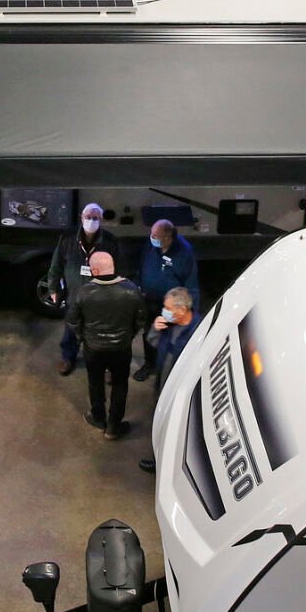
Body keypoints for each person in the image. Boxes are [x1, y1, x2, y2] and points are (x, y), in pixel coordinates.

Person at [67, 251, 146, 438]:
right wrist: (128, 335)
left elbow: (72, 320)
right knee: (120, 384)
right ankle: (114, 426)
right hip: (121, 348)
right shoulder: (131, 289)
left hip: (93, 349)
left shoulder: (84, 291)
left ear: (94, 270)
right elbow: (141, 318)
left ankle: (98, 417)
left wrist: (83, 337)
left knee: (95, 383)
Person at [44, 203, 118, 376]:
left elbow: (118, 268)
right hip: (75, 296)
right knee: (71, 330)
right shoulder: (68, 239)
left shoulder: (109, 241)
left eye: (95, 218)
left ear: (101, 220)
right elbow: (56, 266)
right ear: (81, 218)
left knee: (101, 333)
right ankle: (68, 357)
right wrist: (53, 288)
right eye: (88, 217)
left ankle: (104, 364)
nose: (91, 221)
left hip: (100, 297)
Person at [139, 287, 200, 474]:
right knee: (161, 421)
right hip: (163, 382)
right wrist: (155, 330)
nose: (164, 311)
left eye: (168, 308)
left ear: (181, 310)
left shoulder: (197, 331)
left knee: (175, 430)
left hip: (181, 391)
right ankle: (159, 456)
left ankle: (164, 466)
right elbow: (154, 343)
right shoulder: (169, 323)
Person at [134, 219, 200, 382]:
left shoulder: (184, 252)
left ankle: (168, 368)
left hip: (171, 305)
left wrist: (190, 310)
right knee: (150, 332)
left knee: (170, 336)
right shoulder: (150, 246)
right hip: (149, 299)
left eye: (156, 236)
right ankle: (150, 364)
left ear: (168, 237)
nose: (152, 237)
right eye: (152, 234)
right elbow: (142, 267)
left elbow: (191, 282)